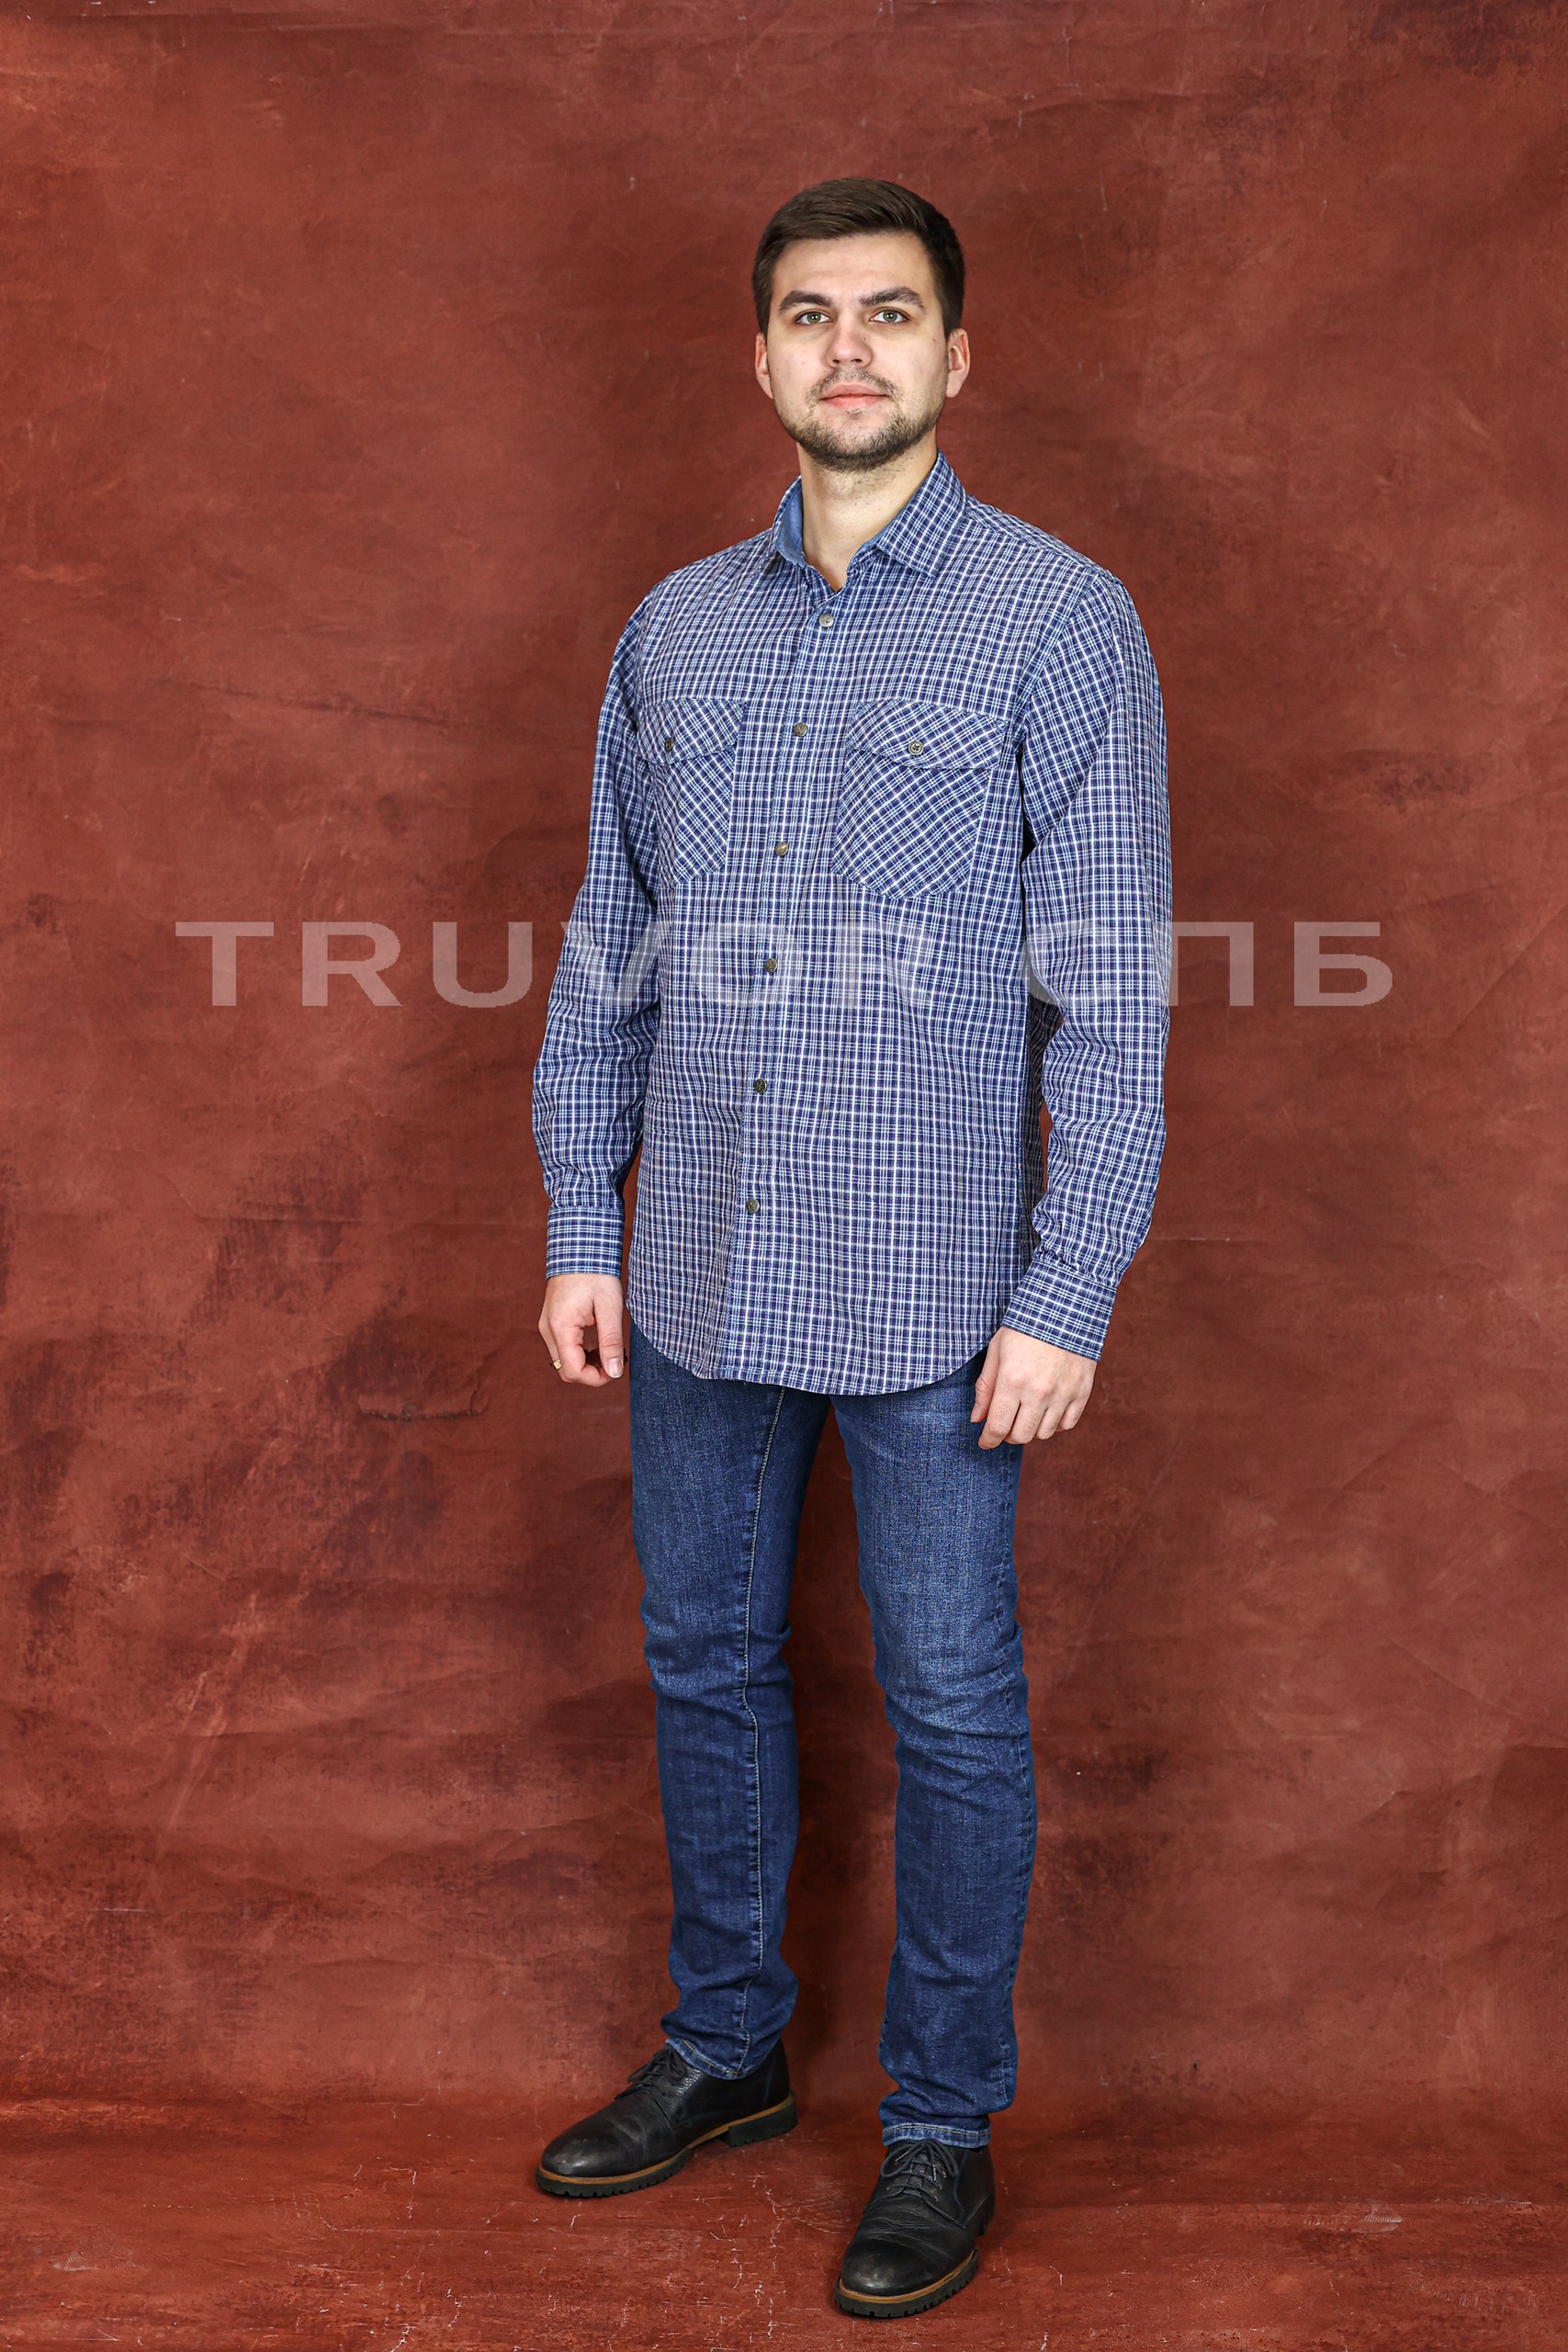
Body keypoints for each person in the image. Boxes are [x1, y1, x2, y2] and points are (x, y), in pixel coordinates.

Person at [529, 175, 1171, 2322]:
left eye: (888, 313)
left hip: (934, 1293)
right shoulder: (671, 631)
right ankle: (725, 2044)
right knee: (701, 1658)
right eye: (809, 314)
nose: (847, 349)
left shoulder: (1055, 619)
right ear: (760, 356)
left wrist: (1065, 1286)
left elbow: (1113, 986)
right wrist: (580, 1212)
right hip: (695, 1275)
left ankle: (938, 2122)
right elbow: (610, 940)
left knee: (951, 1700)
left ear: (954, 354)